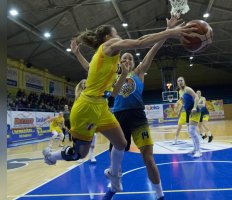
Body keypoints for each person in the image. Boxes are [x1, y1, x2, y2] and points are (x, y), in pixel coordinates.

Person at [42, 21, 197, 198]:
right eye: (117, 32)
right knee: (81, 153)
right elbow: (140, 42)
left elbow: (113, 92)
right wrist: (171, 32)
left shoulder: (115, 64)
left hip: (103, 106)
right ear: (108, 37)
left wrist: (123, 74)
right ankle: (52, 157)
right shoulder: (109, 46)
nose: (120, 35)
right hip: (87, 106)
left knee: (122, 144)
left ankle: (114, 177)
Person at [177, 77, 202, 158]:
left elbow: (196, 97)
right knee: (190, 132)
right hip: (187, 112)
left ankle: (199, 151)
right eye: (178, 81)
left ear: (184, 82)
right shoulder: (180, 91)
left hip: (194, 110)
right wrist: (180, 111)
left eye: (181, 80)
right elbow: (183, 101)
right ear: (177, 83)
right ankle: (195, 149)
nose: (180, 82)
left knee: (192, 130)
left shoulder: (188, 89)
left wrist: (194, 107)